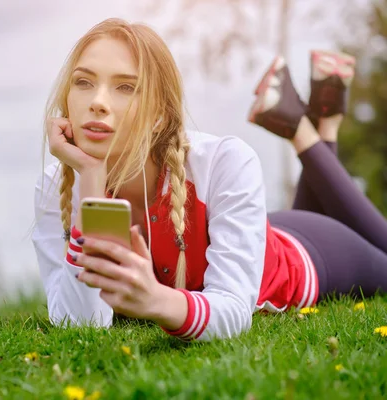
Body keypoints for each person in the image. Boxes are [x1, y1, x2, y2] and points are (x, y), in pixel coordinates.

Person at [31, 18, 387, 342]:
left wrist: (159, 301)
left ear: (159, 115)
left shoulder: (225, 161)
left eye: (126, 87)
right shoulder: (56, 185)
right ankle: (324, 120)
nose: (97, 102)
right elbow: (81, 326)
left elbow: (233, 308)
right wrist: (91, 180)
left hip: (308, 254)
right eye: (83, 82)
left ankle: (303, 126)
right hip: (257, 233)